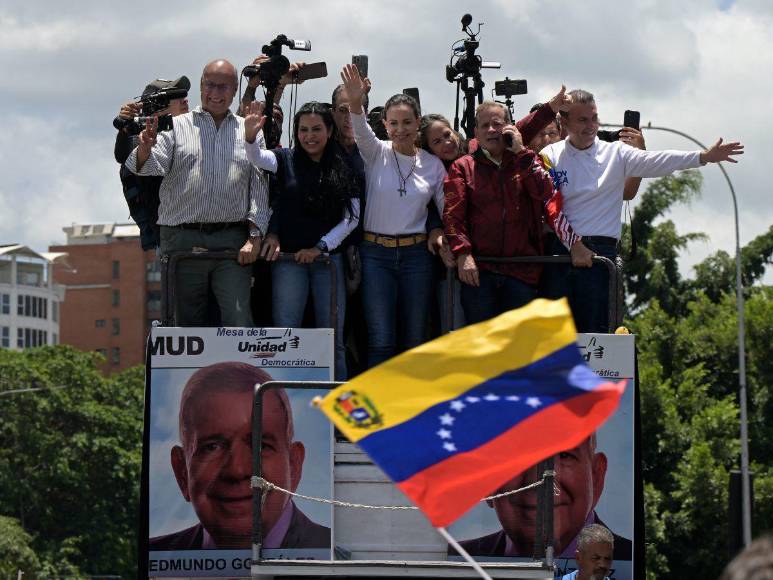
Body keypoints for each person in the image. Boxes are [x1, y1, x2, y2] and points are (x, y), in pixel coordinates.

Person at [540, 89, 744, 332]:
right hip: (559, 252)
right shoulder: (549, 155)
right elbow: (549, 205)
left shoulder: (616, 152)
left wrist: (703, 156)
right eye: (582, 120)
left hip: (599, 256)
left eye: (594, 118)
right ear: (564, 122)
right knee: (553, 339)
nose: (591, 126)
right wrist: (573, 245)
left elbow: (659, 161)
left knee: (597, 336)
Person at [125, 59, 271, 327]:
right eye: (210, 85)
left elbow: (259, 187)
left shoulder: (247, 128)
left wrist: (254, 236)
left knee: (239, 319)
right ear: (201, 85)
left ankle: (238, 371)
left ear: (235, 89)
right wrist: (145, 148)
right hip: (182, 238)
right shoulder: (176, 126)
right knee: (186, 324)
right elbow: (144, 168)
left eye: (223, 87)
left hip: (233, 241)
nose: (216, 93)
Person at [149, 362, 330, 550]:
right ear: (182, 472)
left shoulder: (336, 556)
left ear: (294, 466)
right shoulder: (156, 555)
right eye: (212, 447)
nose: (237, 469)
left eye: (261, 445)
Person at [243, 101, 361, 380]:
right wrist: (249, 136)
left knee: (332, 339)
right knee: (286, 335)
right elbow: (258, 158)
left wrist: (320, 247)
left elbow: (351, 219)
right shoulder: (285, 159)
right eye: (303, 130)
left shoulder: (346, 164)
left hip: (328, 261)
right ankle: (286, 403)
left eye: (317, 129)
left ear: (330, 131)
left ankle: (339, 417)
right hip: (288, 262)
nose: (310, 136)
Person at [340, 64, 446, 367]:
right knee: (381, 339)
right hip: (376, 256)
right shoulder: (376, 152)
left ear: (418, 124)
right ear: (385, 124)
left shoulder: (432, 165)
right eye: (394, 123)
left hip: (417, 256)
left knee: (414, 339)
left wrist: (446, 238)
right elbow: (359, 126)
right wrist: (356, 100)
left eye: (407, 122)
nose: (401, 129)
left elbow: (445, 209)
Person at [443, 99, 582, 324]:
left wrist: (521, 152)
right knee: (483, 350)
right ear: (475, 132)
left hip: (522, 273)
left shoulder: (526, 159)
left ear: (510, 128)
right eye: (484, 125)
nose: (491, 130)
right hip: (479, 272)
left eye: (497, 124)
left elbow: (545, 193)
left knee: (519, 353)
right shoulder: (462, 166)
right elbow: (452, 216)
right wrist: (463, 253)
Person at [454, 435, 631, 560]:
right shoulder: (457, 558)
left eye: (563, 455)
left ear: (596, 475)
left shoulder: (631, 559)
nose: (537, 481)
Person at [113, 76, 190, 250]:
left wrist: (251, 88)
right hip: (168, 237)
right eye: (176, 96)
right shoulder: (141, 136)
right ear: (157, 103)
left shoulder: (192, 130)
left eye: (184, 94)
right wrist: (124, 128)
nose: (185, 100)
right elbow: (124, 155)